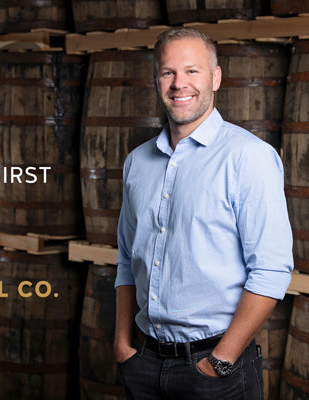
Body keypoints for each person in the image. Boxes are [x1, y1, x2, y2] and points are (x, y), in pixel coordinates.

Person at [113, 26, 294, 399]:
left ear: (215, 78)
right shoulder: (137, 162)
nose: (180, 84)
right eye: (168, 72)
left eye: (192, 71)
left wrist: (221, 362)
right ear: (156, 80)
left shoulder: (249, 158)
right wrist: (123, 344)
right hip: (143, 360)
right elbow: (127, 259)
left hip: (214, 369)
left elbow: (271, 271)